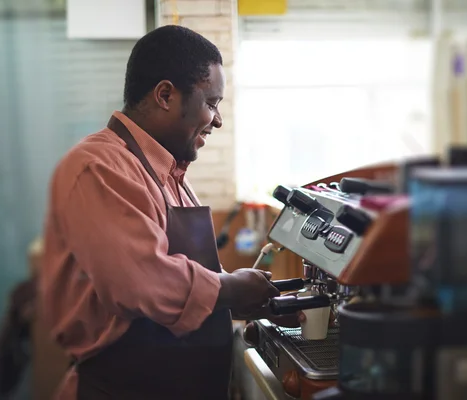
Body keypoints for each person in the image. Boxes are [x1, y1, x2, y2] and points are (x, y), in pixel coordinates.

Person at [40, 25, 297, 400]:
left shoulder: (170, 175)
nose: (218, 119)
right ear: (165, 95)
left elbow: (189, 275)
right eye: (211, 103)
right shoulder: (98, 167)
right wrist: (229, 289)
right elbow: (140, 281)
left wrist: (252, 298)